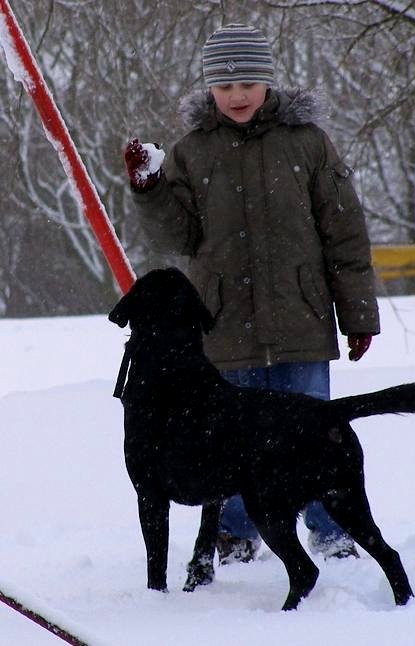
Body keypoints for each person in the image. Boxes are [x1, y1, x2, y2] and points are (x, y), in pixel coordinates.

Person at [124, 23, 380, 564]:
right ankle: (237, 533)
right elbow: (178, 236)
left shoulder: (307, 143)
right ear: (209, 90)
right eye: (224, 86)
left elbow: (344, 229)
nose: (237, 96)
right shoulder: (192, 151)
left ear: (268, 82)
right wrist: (149, 190)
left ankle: (331, 530)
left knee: (314, 429)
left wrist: (358, 312)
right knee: (229, 437)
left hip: (302, 319)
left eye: (248, 83)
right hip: (223, 323)